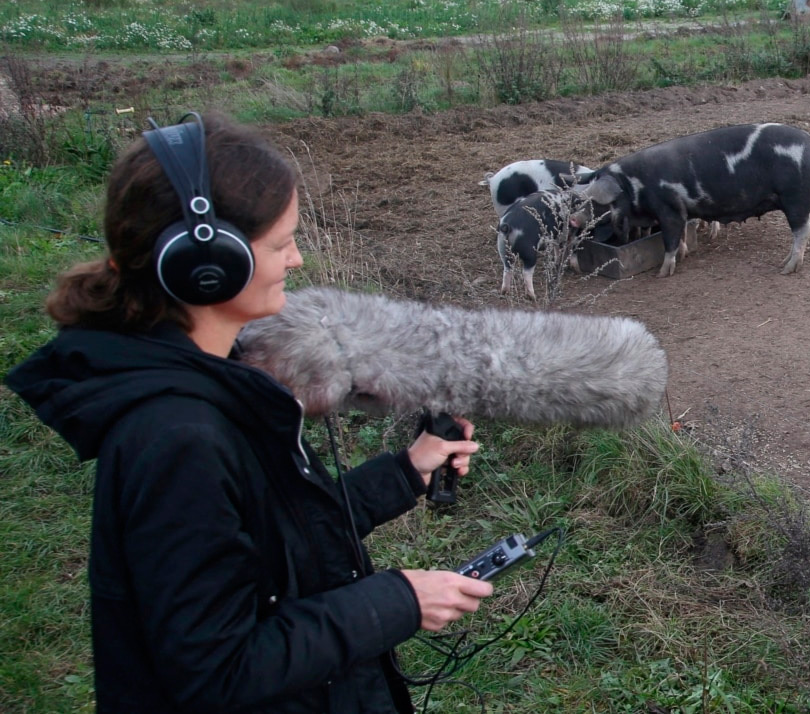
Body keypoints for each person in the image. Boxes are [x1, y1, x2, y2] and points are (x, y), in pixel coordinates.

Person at [5, 113, 492, 713]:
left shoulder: (213, 382)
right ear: (206, 264)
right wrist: (397, 603)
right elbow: (216, 669)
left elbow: (269, 539)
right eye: (281, 243)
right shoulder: (178, 437)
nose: (299, 260)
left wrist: (405, 473)